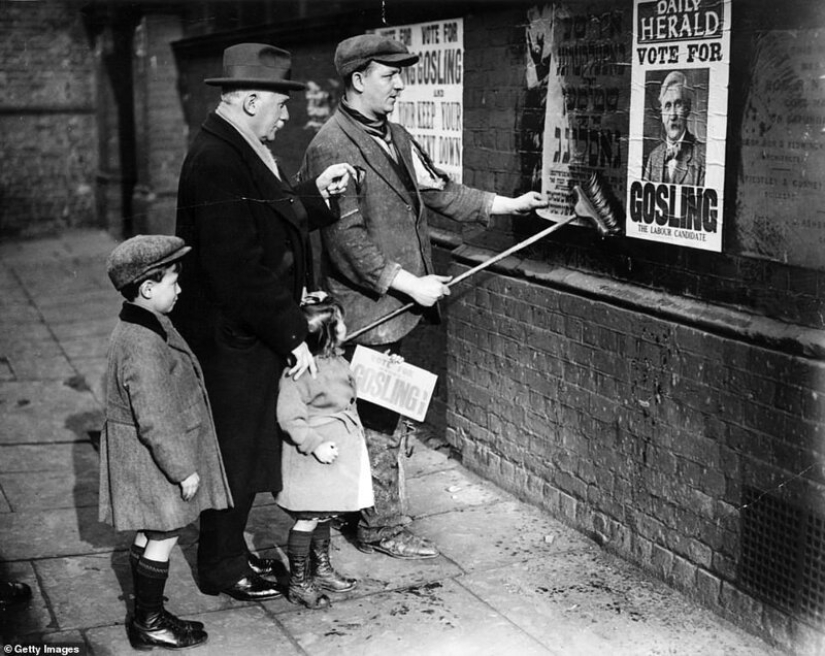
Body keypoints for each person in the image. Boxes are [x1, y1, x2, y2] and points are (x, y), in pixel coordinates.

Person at [300, 34, 549, 560]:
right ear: (358, 78)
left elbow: (441, 191)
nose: (401, 85)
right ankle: (381, 527)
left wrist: (512, 203)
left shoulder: (394, 133)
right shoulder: (332, 144)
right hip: (372, 311)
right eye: (390, 76)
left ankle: (367, 511)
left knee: (390, 417)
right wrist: (410, 282)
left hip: (401, 310)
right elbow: (346, 241)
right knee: (380, 419)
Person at [172, 43, 356, 602]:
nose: (285, 117)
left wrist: (315, 198)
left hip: (245, 332)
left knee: (248, 447)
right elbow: (237, 264)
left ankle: (232, 555)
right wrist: (292, 334)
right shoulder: (218, 159)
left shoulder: (235, 146)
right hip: (235, 337)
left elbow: (267, 212)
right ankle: (222, 566)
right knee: (235, 450)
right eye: (280, 105)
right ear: (251, 100)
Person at [100, 235, 233, 650]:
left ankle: (147, 611)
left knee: (152, 531)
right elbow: (155, 418)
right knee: (164, 535)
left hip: (144, 458)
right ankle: (149, 621)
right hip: (155, 459)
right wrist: (183, 469)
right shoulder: (142, 344)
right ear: (147, 288)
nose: (179, 289)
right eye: (173, 282)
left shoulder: (143, 324)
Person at [276, 292, 373, 609]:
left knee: (323, 514)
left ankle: (322, 569)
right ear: (326, 333)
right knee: (307, 519)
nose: (346, 327)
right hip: (311, 460)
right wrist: (315, 445)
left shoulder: (336, 360)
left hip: (334, 458)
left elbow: (349, 393)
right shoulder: (300, 371)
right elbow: (289, 417)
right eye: (340, 323)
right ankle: (300, 583)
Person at [643, 70, 706, 186]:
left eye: (678, 104)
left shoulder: (703, 157)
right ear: (661, 114)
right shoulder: (653, 157)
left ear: (687, 108)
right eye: (667, 106)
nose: (673, 115)